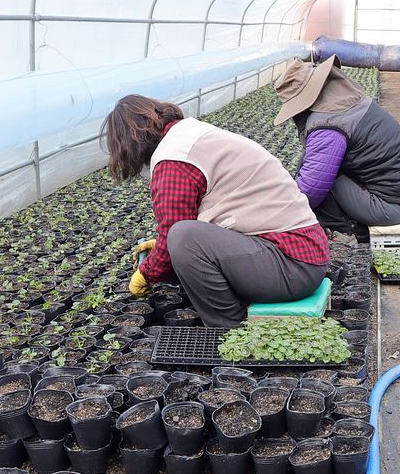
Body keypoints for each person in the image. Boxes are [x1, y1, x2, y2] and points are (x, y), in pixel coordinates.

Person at [113, 95, 329, 329]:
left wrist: (147, 273)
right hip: (303, 254)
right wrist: (166, 250)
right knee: (183, 238)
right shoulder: (190, 135)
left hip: (291, 266)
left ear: (130, 140)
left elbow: (175, 234)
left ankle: (227, 328)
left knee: (183, 237)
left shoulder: (173, 159)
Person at [273, 57, 400, 231]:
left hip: (388, 207)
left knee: (322, 179)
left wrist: (277, 217)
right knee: (317, 166)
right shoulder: (344, 101)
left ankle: (342, 227)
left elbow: (310, 191)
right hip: (399, 197)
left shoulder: (329, 122)